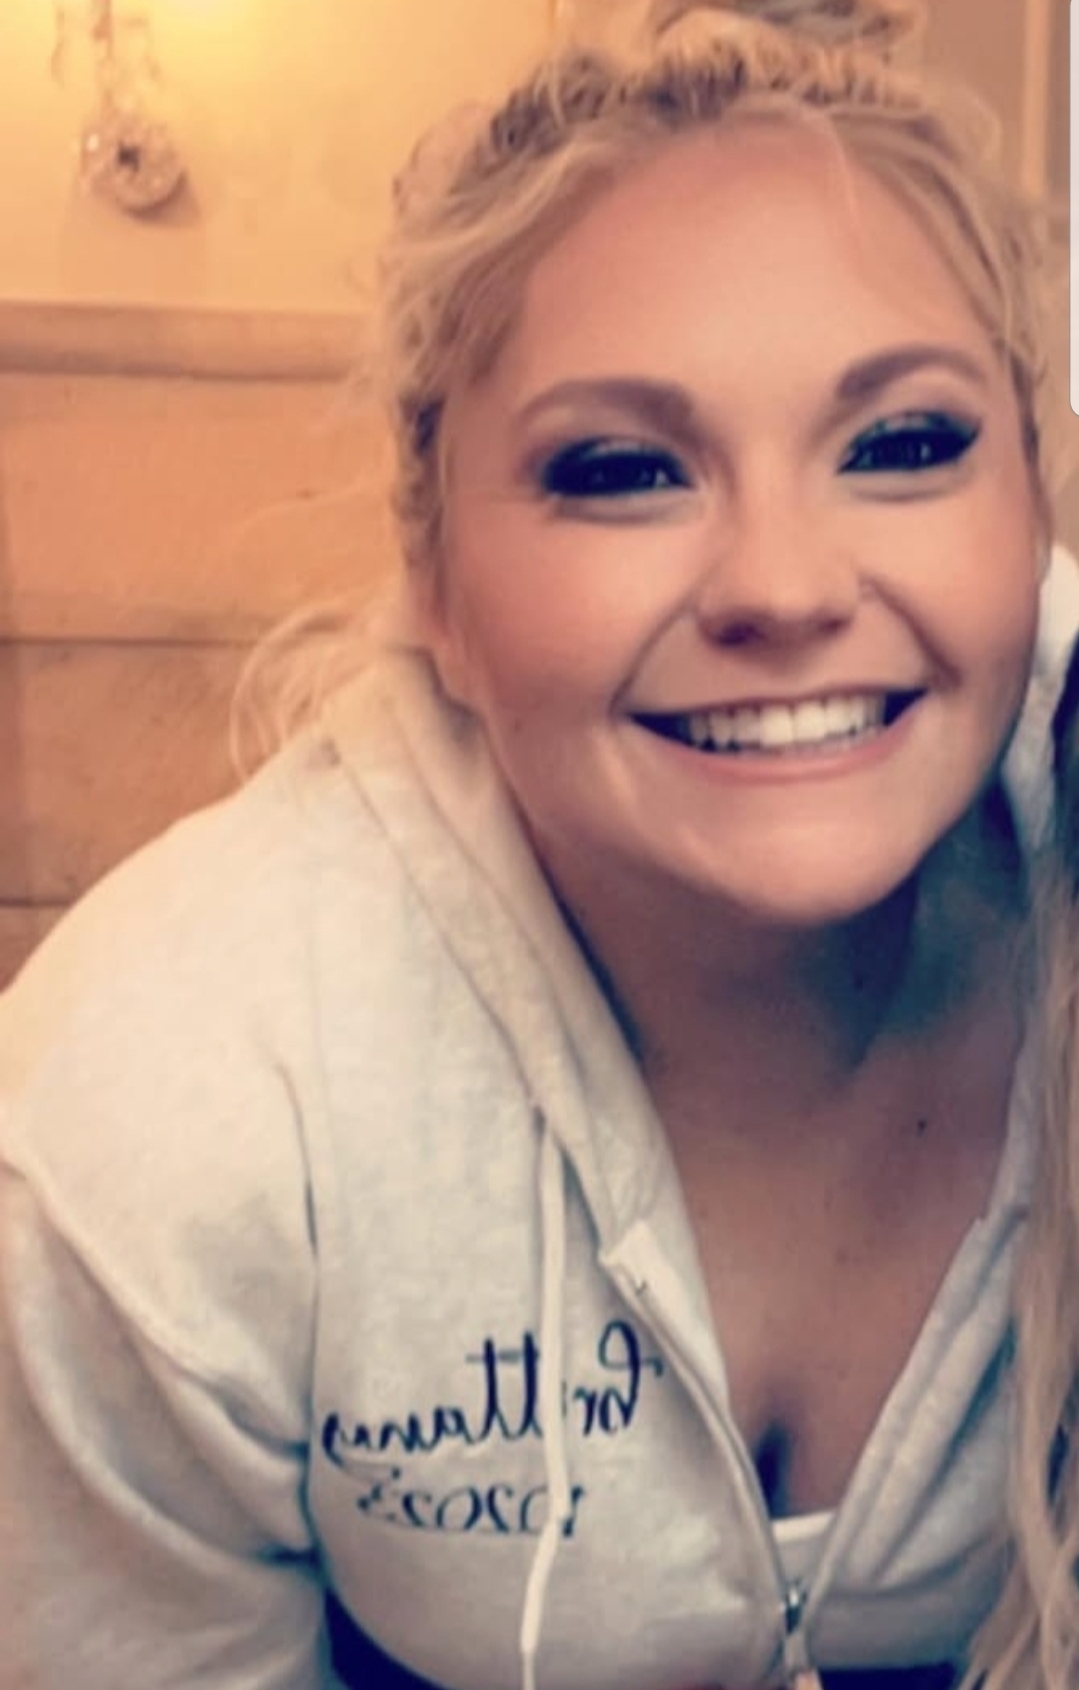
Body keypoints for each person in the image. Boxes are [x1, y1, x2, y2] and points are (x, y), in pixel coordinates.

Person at [0, 1, 1071, 1686]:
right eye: (624, 469)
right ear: (433, 579)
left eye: (905, 443)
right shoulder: (158, 1115)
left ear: (1038, 510)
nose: (783, 586)